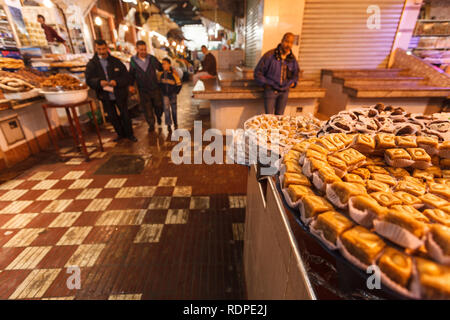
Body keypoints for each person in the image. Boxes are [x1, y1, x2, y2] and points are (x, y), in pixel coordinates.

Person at [85, 39, 136, 142]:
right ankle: (120, 134)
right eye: (99, 49)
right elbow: (89, 80)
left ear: (106, 48)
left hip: (119, 93)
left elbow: (126, 77)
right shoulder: (92, 64)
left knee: (125, 114)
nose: (102, 51)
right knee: (112, 116)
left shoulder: (115, 61)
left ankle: (130, 134)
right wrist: (99, 82)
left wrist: (116, 82)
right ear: (96, 49)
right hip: (105, 94)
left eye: (103, 49)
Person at [254, 33, 300, 115]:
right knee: (269, 118)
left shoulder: (292, 59)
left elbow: (296, 74)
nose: (288, 44)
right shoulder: (269, 55)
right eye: (286, 41)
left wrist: (293, 83)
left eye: (291, 42)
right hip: (271, 91)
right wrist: (267, 84)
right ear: (282, 41)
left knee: (280, 117)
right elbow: (258, 73)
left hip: (284, 92)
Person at [129, 40, 164, 132]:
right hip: (143, 89)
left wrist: (166, 66)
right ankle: (151, 124)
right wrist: (130, 85)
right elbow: (131, 74)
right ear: (137, 49)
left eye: (145, 49)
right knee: (147, 108)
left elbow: (160, 67)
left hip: (155, 87)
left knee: (159, 105)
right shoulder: (133, 61)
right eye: (141, 50)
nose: (143, 51)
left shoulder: (152, 58)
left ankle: (159, 116)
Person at [158, 58, 182, 131]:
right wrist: (162, 91)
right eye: (162, 64)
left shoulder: (174, 74)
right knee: (166, 110)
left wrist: (175, 92)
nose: (163, 65)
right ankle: (168, 125)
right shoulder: (161, 74)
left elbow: (179, 84)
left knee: (174, 110)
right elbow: (159, 84)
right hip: (165, 95)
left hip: (173, 95)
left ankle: (175, 123)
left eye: (165, 63)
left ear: (169, 64)